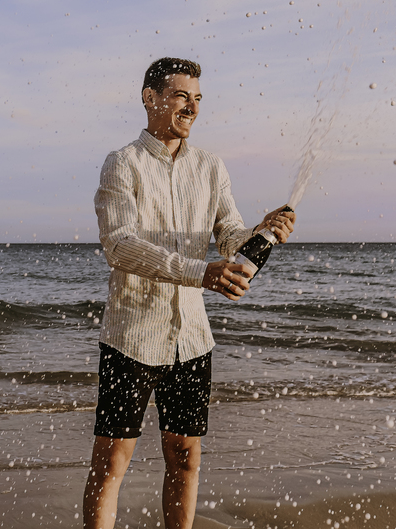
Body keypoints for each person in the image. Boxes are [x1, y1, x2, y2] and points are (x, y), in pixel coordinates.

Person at [82, 57, 295, 529]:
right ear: (150, 98)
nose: (192, 107)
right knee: (112, 460)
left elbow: (230, 237)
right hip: (131, 337)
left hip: (193, 340)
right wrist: (199, 272)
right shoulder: (122, 164)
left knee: (185, 457)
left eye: (197, 98)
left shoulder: (210, 166)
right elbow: (119, 245)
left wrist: (262, 232)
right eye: (181, 96)